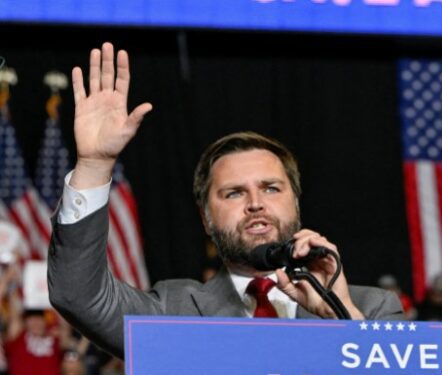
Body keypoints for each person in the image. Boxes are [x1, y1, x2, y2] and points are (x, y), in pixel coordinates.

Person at [47, 42, 404, 359]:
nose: (255, 203)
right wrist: (94, 166)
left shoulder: (372, 310)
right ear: (205, 218)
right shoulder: (173, 311)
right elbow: (77, 295)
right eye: (234, 192)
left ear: (296, 202)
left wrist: (341, 318)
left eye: (271, 188)